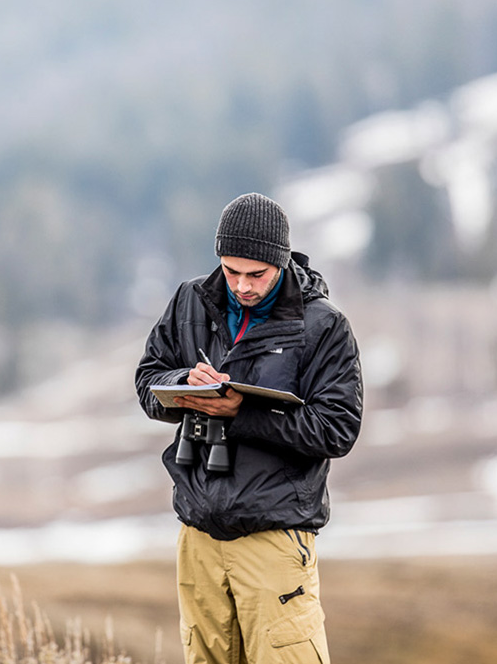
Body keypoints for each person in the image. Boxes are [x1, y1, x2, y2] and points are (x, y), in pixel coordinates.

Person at [136, 192, 363, 664]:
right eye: (230, 270)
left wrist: (241, 414)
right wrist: (184, 385)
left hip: (275, 538)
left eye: (255, 274)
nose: (240, 284)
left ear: (280, 262)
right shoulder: (188, 301)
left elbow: (338, 429)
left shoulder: (324, 327)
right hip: (197, 536)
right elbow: (147, 380)